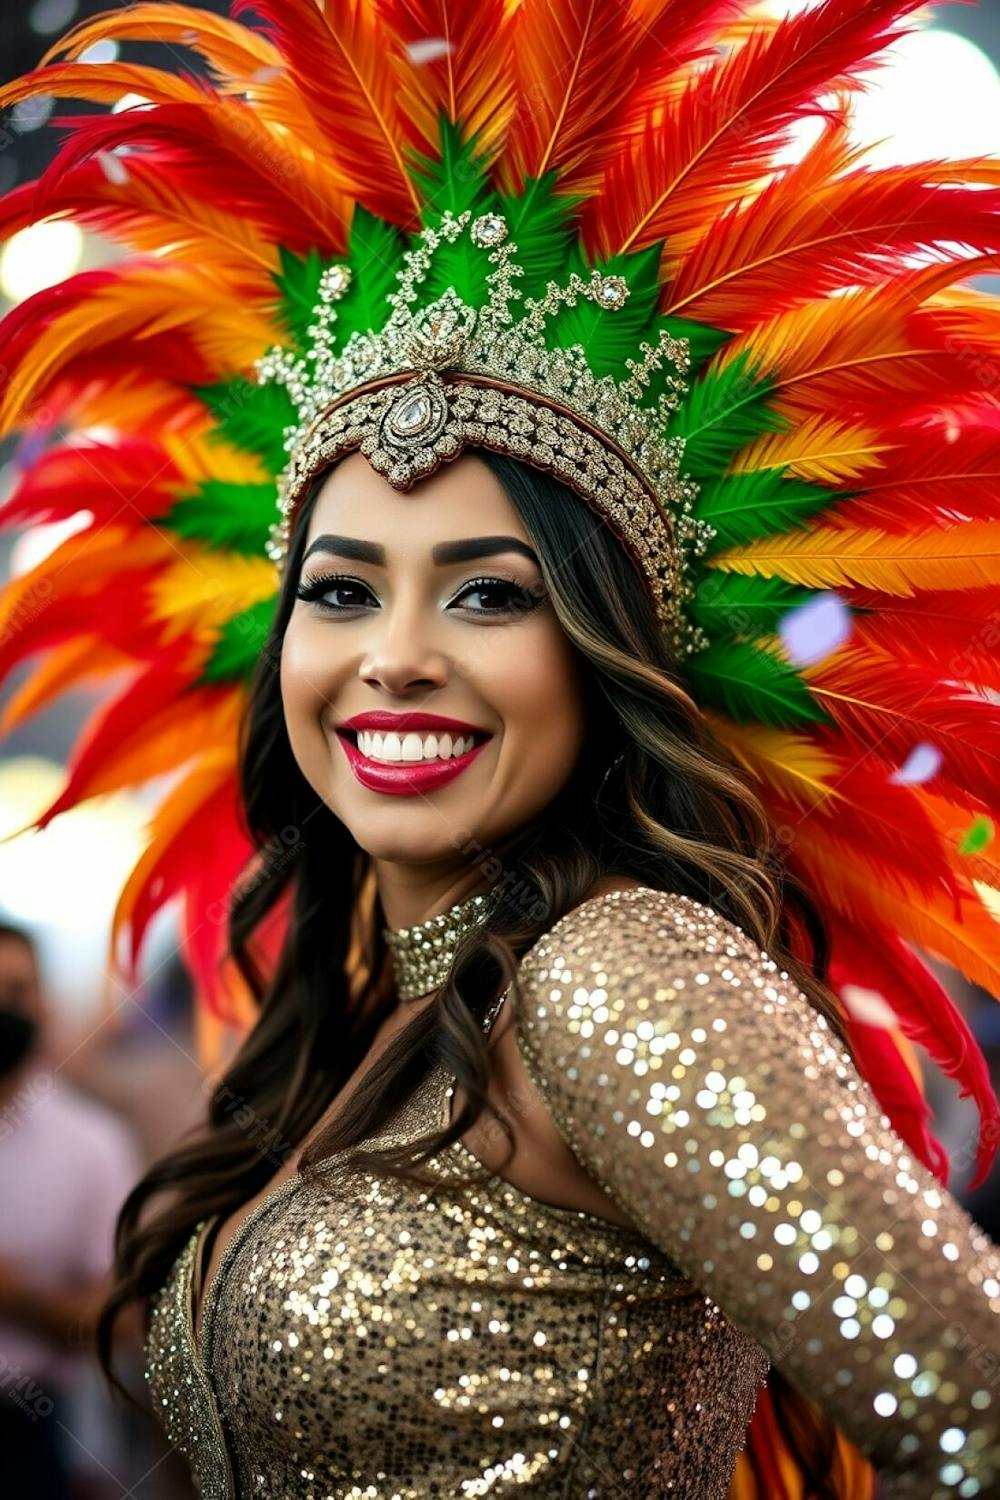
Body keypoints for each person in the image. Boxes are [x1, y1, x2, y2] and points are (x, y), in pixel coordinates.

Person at [1, 1, 1000, 1496]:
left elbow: (967, 1405)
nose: (396, 652)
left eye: (488, 592)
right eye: (343, 590)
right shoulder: (368, 1023)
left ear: (602, 659)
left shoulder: (616, 975)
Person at [0, 921, 143, 1498]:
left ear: (41, 1004)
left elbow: (123, 1320)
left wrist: (18, 1295)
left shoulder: (93, 1145)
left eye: (16, 992)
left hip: (27, 1432)